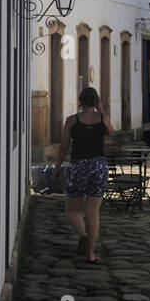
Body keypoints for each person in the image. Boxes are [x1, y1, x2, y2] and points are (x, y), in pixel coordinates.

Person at [53, 87, 112, 263]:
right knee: (93, 212)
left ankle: (83, 234)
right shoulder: (103, 119)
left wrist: (57, 166)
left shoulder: (71, 121)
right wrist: (100, 110)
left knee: (72, 209)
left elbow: (64, 146)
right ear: (96, 101)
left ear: (80, 100)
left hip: (78, 166)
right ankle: (91, 254)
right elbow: (111, 131)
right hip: (99, 166)